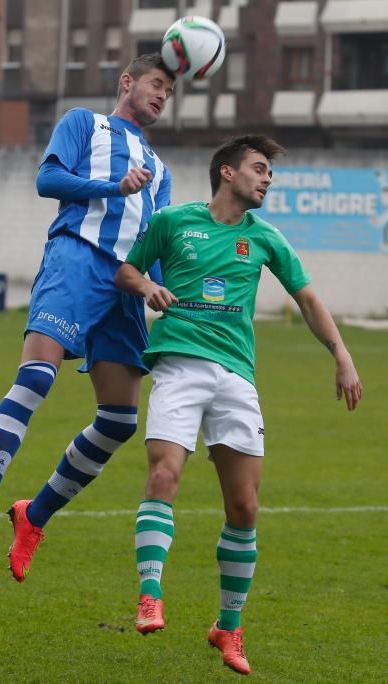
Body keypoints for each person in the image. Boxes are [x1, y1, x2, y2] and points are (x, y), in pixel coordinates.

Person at [114, 135, 362, 675]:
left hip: (237, 378)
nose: (267, 178)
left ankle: (228, 626)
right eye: (259, 168)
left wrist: (341, 354)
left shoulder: (266, 237)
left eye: (269, 171)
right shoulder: (174, 221)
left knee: (245, 508)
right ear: (227, 173)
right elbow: (127, 271)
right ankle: (150, 595)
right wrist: (147, 288)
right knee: (164, 474)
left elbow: (308, 298)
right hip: (178, 364)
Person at [0, 53, 176, 581]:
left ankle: (32, 517)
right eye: (155, 84)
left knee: (120, 421)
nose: (162, 95)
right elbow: (48, 179)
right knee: (36, 376)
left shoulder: (162, 171)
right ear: (126, 81)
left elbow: (155, 244)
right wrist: (112, 187)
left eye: (169, 91)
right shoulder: (86, 123)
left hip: (125, 286)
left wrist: (162, 289)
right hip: (76, 258)